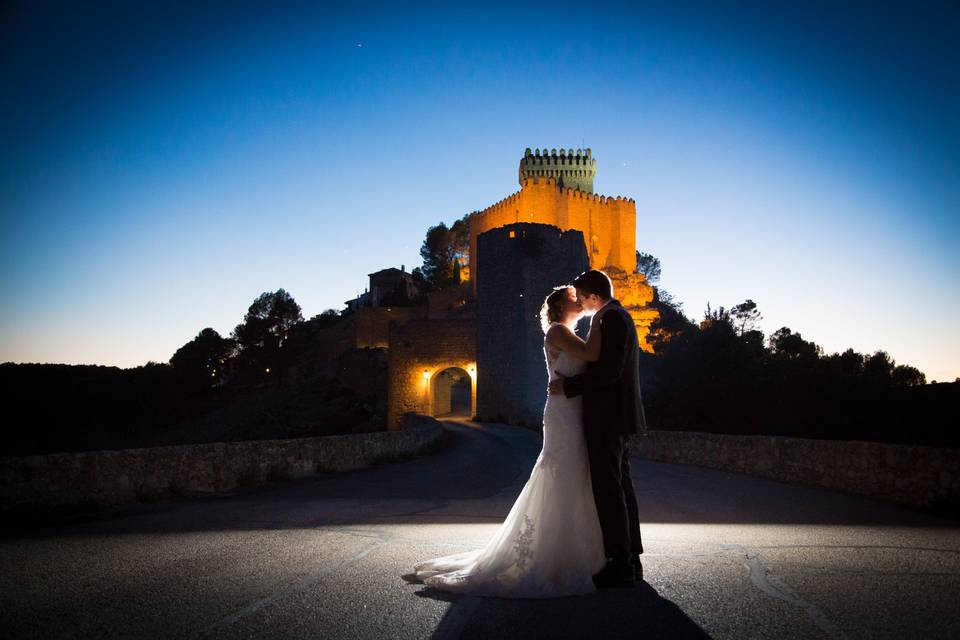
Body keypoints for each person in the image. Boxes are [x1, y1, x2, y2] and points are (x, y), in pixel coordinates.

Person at [412, 285, 612, 597]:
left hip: (572, 408)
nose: (580, 300)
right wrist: (601, 315)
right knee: (563, 472)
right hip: (563, 413)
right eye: (574, 298)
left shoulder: (567, 332)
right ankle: (556, 554)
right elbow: (592, 355)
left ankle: (573, 548)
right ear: (561, 306)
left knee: (572, 474)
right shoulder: (558, 331)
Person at [548, 269, 646, 588]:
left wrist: (571, 386)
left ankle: (621, 564)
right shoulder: (611, 317)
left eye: (582, 297)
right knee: (620, 484)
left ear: (593, 297)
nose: (581, 303)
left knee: (609, 488)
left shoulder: (611, 318)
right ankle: (630, 557)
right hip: (614, 415)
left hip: (609, 416)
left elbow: (611, 372)